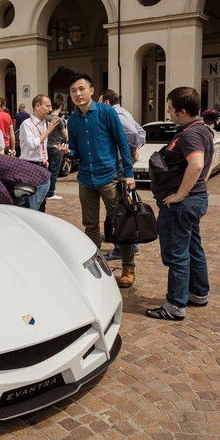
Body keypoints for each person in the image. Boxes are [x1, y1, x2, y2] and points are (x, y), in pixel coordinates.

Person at [146, 87, 214, 322]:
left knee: (178, 255)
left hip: (183, 204)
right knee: (193, 247)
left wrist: (180, 194)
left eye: (170, 109)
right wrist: (199, 185)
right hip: (195, 199)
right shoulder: (202, 130)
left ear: (182, 111)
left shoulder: (190, 135)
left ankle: (175, 305)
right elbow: (207, 162)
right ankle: (198, 293)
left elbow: (196, 164)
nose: (169, 113)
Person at [67, 73, 136, 288]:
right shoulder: (72, 120)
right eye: (73, 91)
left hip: (109, 178)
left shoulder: (106, 112)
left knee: (119, 223)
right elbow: (76, 151)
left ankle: (128, 266)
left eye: (81, 89)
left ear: (91, 90)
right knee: (90, 226)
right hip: (86, 179)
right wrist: (67, 151)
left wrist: (129, 172)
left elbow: (122, 142)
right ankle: (96, 265)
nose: (77, 94)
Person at [99, 89, 147, 261]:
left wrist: (131, 149)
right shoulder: (124, 112)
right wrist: (135, 149)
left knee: (118, 207)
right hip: (122, 161)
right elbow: (141, 133)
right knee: (125, 203)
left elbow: (134, 134)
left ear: (106, 102)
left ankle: (122, 248)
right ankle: (132, 243)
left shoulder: (115, 113)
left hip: (118, 163)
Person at [44, 102, 69, 201]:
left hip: (46, 146)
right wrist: (64, 123)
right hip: (56, 147)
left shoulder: (45, 118)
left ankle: (45, 191)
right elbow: (65, 135)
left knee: (47, 170)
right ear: (60, 107)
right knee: (54, 170)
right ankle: (50, 192)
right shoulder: (59, 120)